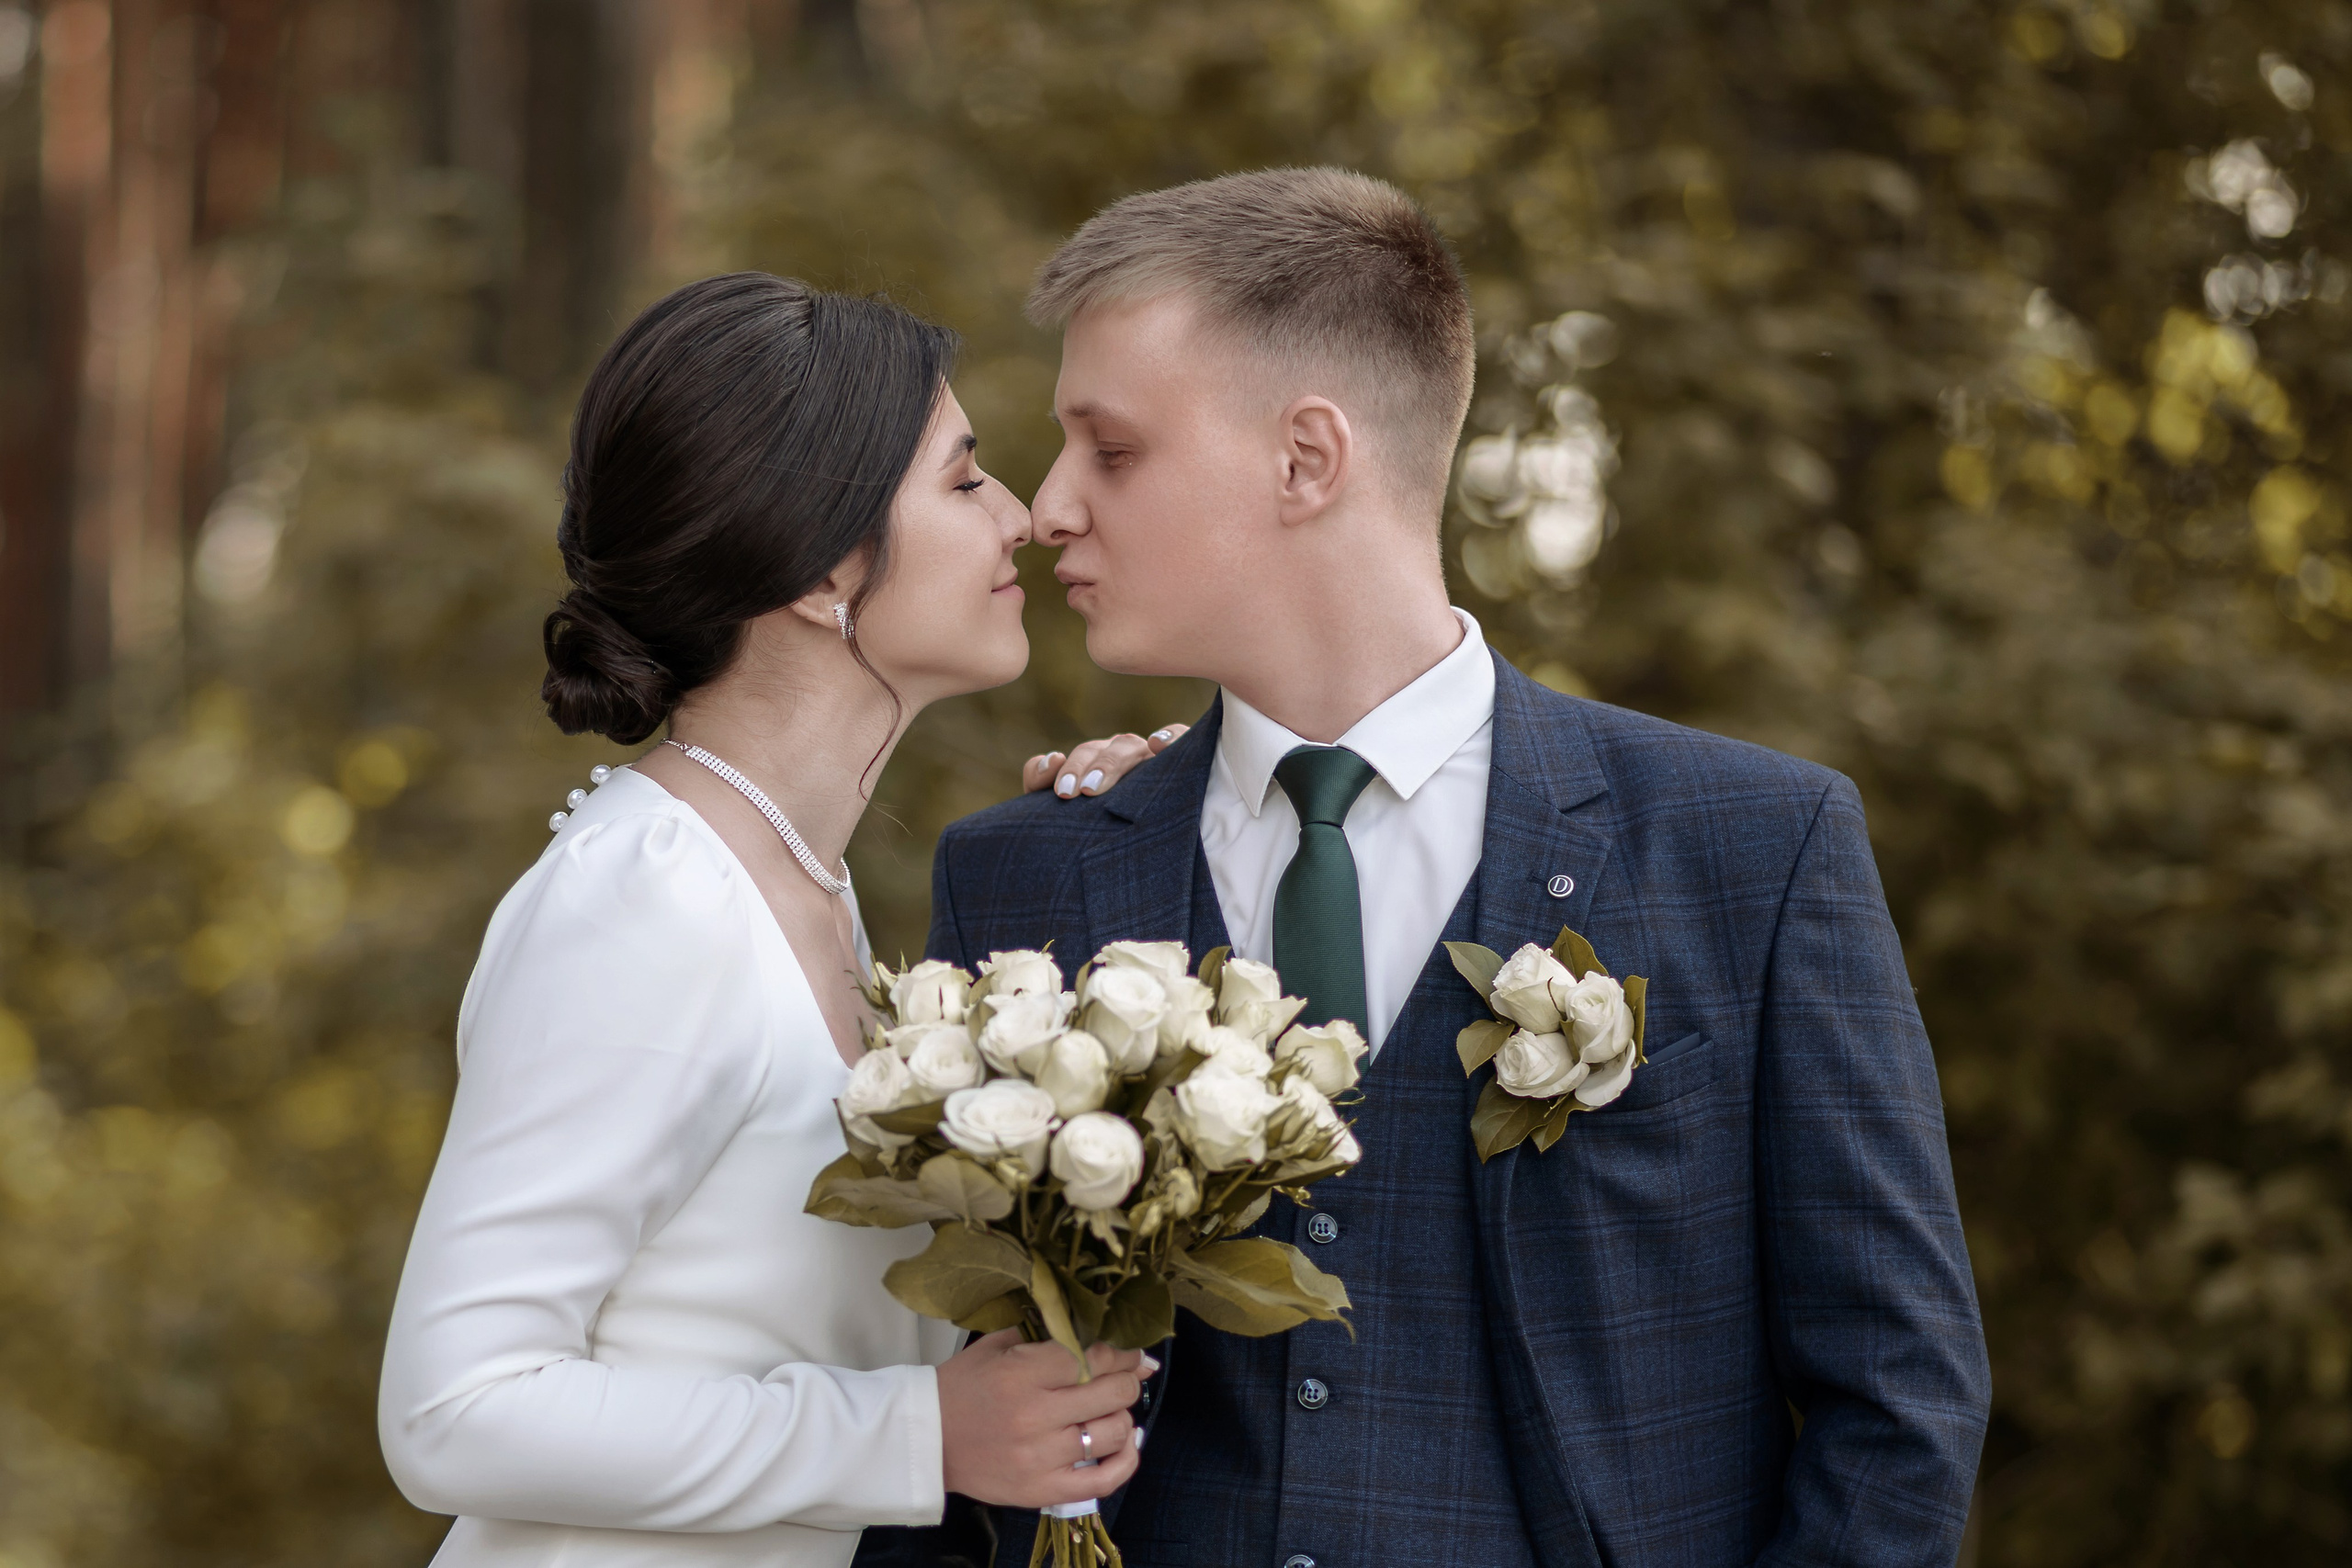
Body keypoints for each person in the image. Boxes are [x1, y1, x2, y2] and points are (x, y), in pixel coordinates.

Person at [933, 168, 1994, 1568]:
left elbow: (1901, 1405)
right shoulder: (1023, 881)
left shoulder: (1754, 848)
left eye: (1111, 451)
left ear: (1307, 460)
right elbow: (942, 1429)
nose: (1049, 507)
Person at [378, 273, 1168, 1568]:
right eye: (967, 480)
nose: (1022, 516)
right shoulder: (646, 901)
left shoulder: (804, 887)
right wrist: (915, 1434)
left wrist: (1152, 832)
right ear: (822, 568)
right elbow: (455, 1409)